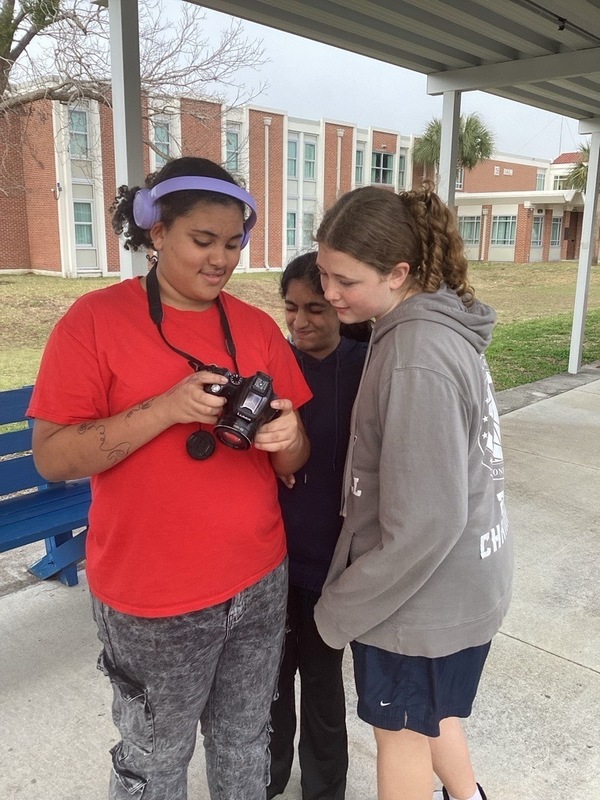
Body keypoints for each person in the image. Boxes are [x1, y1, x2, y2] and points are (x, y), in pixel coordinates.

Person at [26, 156, 312, 800]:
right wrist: (167, 408)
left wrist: (291, 439)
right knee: (154, 758)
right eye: (203, 241)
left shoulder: (258, 327)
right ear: (157, 234)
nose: (223, 259)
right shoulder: (94, 322)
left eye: (235, 243)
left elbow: (294, 462)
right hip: (153, 596)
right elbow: (51, 456)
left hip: (259, 579)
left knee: (246, 739)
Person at [312, 185, 513, 800]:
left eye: (345, 280)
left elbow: (426, 522)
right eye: (322, 273)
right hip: (461, 588)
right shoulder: (424, 327)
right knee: (430, 713)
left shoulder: (415, 355)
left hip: (419, 602)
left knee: (397, 733)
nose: (328, 294)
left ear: (399, 273)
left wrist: (338, 607)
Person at [267, 252, 369, 800]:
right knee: (272, 682)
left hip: (334, 560)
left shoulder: (369, 364)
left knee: (324, 684)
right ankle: (268, 777)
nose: (301, 321)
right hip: (274, 556)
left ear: (340, 309)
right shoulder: (272, 366)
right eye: (290, 309)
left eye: (315, 309)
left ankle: (326, 788)